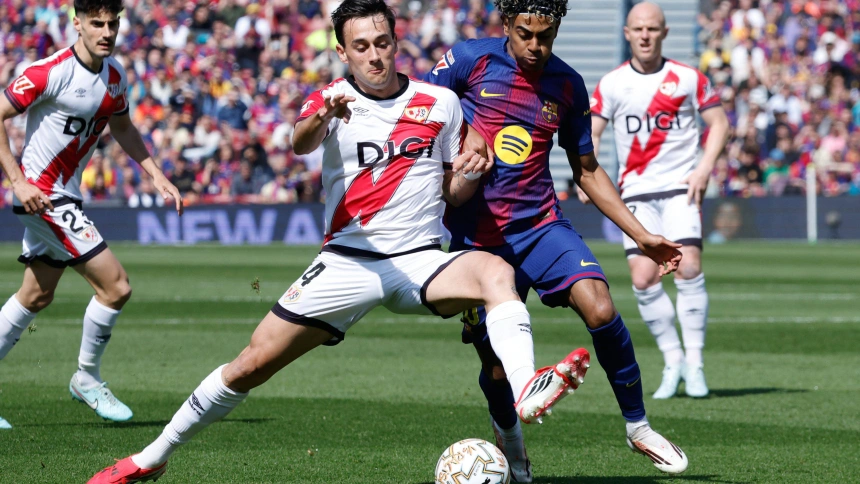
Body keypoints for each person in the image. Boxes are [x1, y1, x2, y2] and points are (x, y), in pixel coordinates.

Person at [88, 1, 589, 481]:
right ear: (343, 51)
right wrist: (325, 112)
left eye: (382, 43)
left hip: (418, 261)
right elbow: (300, 141)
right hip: (347, 263)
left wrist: (471, 175)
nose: (374, 55)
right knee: (251, 364)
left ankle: (527, 387)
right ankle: (150, 458)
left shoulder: (441, 103)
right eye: (361, 46)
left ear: (396, 43)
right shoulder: (331, 100)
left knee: (494, 272)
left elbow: (452, 193)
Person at [425, 0, 689, 479]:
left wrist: (644, 236)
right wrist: (461, 138)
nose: (535, 46)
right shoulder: (468, 60)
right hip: (477, 242)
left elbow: (586, 171)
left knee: (601, 307)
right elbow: (419, 116)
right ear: (506, 25)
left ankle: (638, 427)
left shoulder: (567, 84)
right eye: (525, 33)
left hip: (541, 225)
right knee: (499, 370)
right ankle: (510, 441)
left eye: (545, 36)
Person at [0, 0, 183, 431]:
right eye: (96, 23)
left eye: (112, 23)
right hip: (42, 198)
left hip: (67, 196)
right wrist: (17, 182)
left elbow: (122, 127)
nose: (106, 31)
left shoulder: (114, 76)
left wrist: (154, 173)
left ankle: (84, 377)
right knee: (116, 287)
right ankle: (86, 377)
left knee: (36, 296)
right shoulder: (49, 72)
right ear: (77, 24)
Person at [586, 2, 730, 399]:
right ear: (627, 34)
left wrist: (703, 169)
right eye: (638, 29)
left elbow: (719, 124)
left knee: (688, 267)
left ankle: (696, 363)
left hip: (680, 188)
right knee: (643, 278)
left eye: (653, 28)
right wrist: (586, 174)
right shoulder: (612, 84)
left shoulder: (687, 78)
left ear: (664, 33)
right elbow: (592, 134)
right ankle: (673, 360)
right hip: (634, 193)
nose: (645, 35)